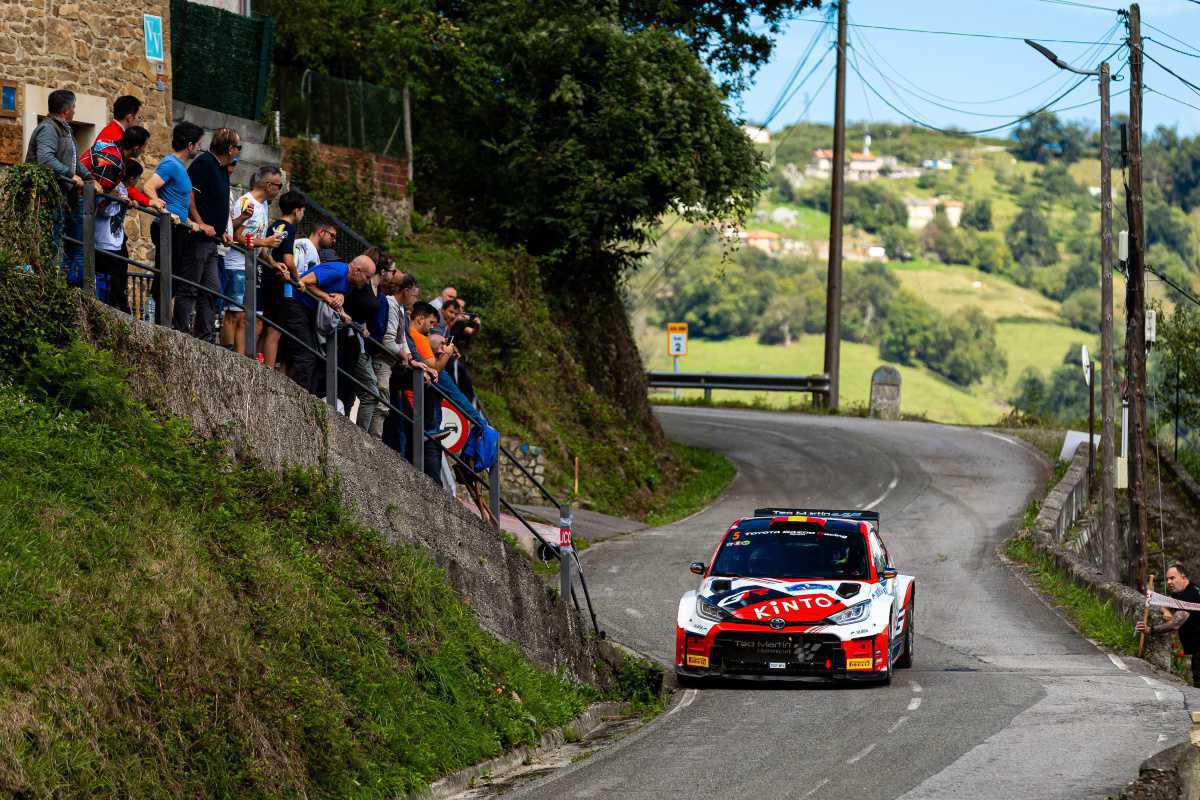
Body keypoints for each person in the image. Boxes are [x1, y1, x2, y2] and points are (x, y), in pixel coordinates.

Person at [179, 127, 240, 343]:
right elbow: (190, 194)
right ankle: (180, 332)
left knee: (211, 289)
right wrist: (200, 222)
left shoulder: (222, 169)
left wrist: (223, 231)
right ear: (230, 148)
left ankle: (204, 337)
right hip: (198, 237)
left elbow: (217, 203)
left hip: (213, 240)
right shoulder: (204, 163)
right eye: (238, 147)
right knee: (190, 286)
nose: (238, 152)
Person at [25, 89, 92, 283]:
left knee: (71, 245)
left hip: (65, 197)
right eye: (74, 106)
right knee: (52, 242)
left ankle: (68, 285)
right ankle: (52, 284)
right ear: (67, 109)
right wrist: (72, 176)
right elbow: (45, 159)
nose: (75, 110)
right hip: (50, 196)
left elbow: (74, 161)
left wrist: (88, 178)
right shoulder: (48, 129)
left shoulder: (65, 129)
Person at [83, 125, 153, 312]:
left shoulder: (109, 147)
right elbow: (101, 204)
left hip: (111, 240)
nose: (144, 150)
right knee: (98, 277)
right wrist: (115, 198)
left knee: (115, 279)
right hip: (96, 234)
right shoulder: (114, 162)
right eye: (144, 147)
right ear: (137, 147)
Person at [143, 121, 204, 329]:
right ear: (189, 145)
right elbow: (149, 186)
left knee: (173, 277)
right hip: (167, 228)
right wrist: (161, 207)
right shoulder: (170, 164)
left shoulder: (179, 167)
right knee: (165, 276)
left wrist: (191, 223)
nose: (199, 147)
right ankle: (155, 321)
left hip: (179, 228)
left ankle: (161, 321)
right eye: (198, 144)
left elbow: (177, 201)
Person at [291, 254, 377, 394]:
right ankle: (298, 396)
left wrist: (342, 313)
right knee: (307, 355)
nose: (368, 282)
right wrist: (326, 297)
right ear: (357, 270)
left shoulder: (351, 284)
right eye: (367, 277)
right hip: (297, 304)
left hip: (310, 311)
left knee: (317, 357)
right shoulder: (338, 271)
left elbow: (333, 299)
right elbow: (304, 281)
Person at [223, 165, 284, 353]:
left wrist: (273, 263)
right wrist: (265, 241)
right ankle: (226, 353)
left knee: (248, 317)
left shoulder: (264, 206)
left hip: (251, 265)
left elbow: (258, 240)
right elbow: (236, 235)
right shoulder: (245, 202)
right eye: (279, 186)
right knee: (234, 314)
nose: (279, 190)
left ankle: (240, 359)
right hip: (236, 264)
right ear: (268, 185)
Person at [261, 190, 307, 367]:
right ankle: (268, 370)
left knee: (266, 326)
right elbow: (288, 259)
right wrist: (298, 280)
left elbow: (264, 251)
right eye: (302, 210)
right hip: (280, 281)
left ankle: (259, 363)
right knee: (275, 330)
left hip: (267, 277)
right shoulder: (289, 228)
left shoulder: (274, 225)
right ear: (297, 211)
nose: (302, 214)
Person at [93, 160, 145, 313]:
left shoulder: (122, 188)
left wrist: (129, 202)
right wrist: (113, 199)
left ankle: (120, 309)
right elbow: (105, 211)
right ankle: (115, 310)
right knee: (108, 280)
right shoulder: (107, 187)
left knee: (119, 280)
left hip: (116, 241)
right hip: (103, 242)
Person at [1136, 564, 1200, 686]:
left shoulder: (1190, 595)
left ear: (1183, 577)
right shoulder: (1183, 591)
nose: (1169, 582)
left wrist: (1150, 630)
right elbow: (1165, 603)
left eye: (1172, 578)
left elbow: (1175, 624)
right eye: (1167, 579)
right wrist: (1165, 610)